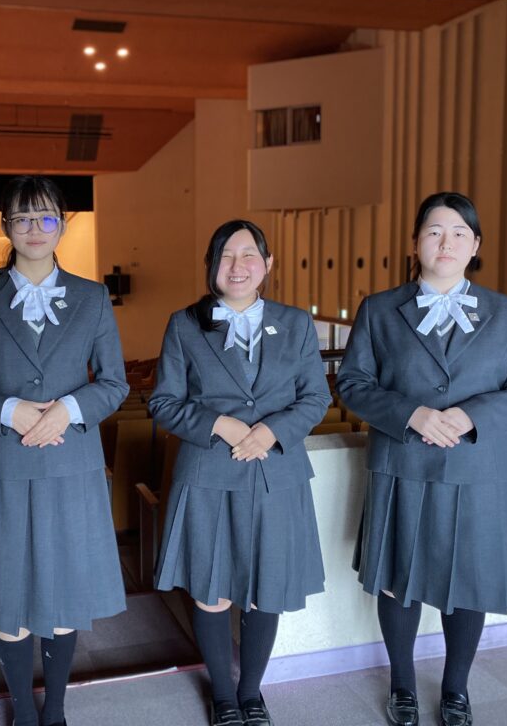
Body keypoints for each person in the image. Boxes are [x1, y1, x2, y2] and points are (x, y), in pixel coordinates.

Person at [336, 192, 507, 726]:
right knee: (398, 579)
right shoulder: (378, 309)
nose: (446, 242)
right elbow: (353, 384)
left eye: (459, 233)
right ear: (416, 243)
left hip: (478, 469)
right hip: (402, 464)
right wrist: (411, 414)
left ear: (475, 245)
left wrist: (471, 416)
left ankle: (456, 688)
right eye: (434, 231)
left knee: (469, 581)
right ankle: (402, 684)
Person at [0, 176, 129, 726]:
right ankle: (24, 713)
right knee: (11, 598)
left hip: (72, 463)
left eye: (45, 217)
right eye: (22, 218)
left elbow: (114, 383)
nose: (34, 229)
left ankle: (57, 712)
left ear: (62, 225)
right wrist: (8, 410)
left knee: (64, 597)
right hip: (6, 463)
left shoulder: (93, 298)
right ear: (6, 227)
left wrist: (67, 409)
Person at [149, 220, 331, 726]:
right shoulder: (184, 324)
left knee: (266, 588)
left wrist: (272, 431)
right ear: (212, 265)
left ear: (267, 264)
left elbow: (316, 396)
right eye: (226, 255)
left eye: (249, 255)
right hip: (209, 473)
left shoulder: (296, 323)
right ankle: (224, 695)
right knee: (212, 590)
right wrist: (220, 424)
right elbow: (164, 402)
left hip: (277, 474)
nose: (238, 266)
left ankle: (252, 693)